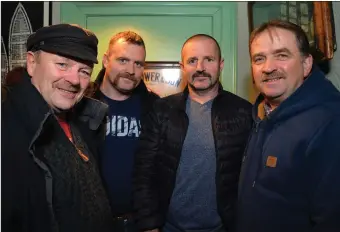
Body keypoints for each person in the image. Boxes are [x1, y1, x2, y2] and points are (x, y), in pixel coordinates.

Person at [133, 34, 253, 232]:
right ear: (182, 67)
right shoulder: (161, 110)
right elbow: (144, 172)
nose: (200, 68)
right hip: (168, 227)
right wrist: (149, 225)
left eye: (209, 59)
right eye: (192, 61)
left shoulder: (243, 112)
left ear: (220, 64)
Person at [1, 24, 115, 232]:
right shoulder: (6, 128)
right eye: (62, 64)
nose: (74, 80)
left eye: (84, 71)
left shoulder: (85, 122)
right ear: (32, 63)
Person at [237, 20, 340, 232]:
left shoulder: (330, 122)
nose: (268, 67)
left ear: (306, 64)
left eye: (282, 55)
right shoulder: (260, 114)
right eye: (259, 59)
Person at [86, 31, 158, 232]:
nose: (131, 70)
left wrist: (151, 220)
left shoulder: (155, 108)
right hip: (92, 222)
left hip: (140, 223)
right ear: (106, 60)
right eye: (123, 60)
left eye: (138, 63)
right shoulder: (81, 105)